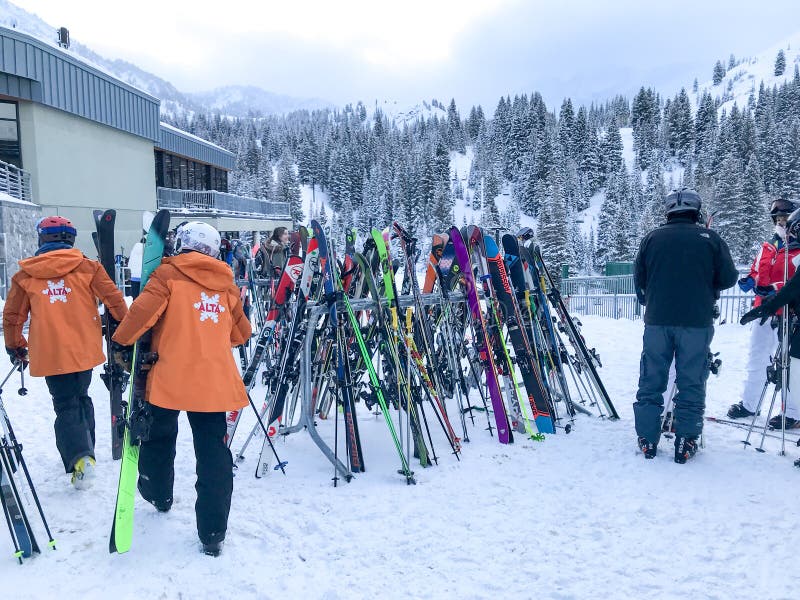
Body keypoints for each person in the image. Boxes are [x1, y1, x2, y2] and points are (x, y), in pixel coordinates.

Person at [111, 222, 251, 557]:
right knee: (214, 455)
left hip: (170, 378)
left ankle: (159, 495)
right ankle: (213, 533)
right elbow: (241, 333)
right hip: (214, 383)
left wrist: (119, 344)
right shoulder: (226, 285)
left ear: (182, 245)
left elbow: (141, 316)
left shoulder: (167, 276)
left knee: (158, 438)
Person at [2, 216, 128, 487]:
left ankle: (81, 459)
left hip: (50, 351)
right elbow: (115, 299)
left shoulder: (26, 275)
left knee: (65, 402)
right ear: (70, 239)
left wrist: (15, 346)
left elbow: (13, 316)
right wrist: (124, 332)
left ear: (41, 239)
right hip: (85, 348)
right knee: (80, 395)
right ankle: (86, 448)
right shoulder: (88, 268)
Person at [632, 189, 738, 463]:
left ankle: (647, 438)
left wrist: (650, 301)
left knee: (652, 378)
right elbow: (728, 278)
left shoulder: (651, 238)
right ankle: (686, 440)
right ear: (697, 211)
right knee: (691, 380)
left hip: (657, 321)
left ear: (669, 212)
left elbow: (639, 278)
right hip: (696, 322)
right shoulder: (710, 239)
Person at [728, 198, 799, 421]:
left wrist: (774, 289)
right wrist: (751, 278)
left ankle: (791, 412)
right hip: (763, 310)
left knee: (788, 363)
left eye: (785, 218)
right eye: (777, 218)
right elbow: (757, 269)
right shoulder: (769, 245)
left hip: (788, 312)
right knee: (757, 358)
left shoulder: (796, 248)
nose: (781, 222)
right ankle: (750, 404)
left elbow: (795, 282)